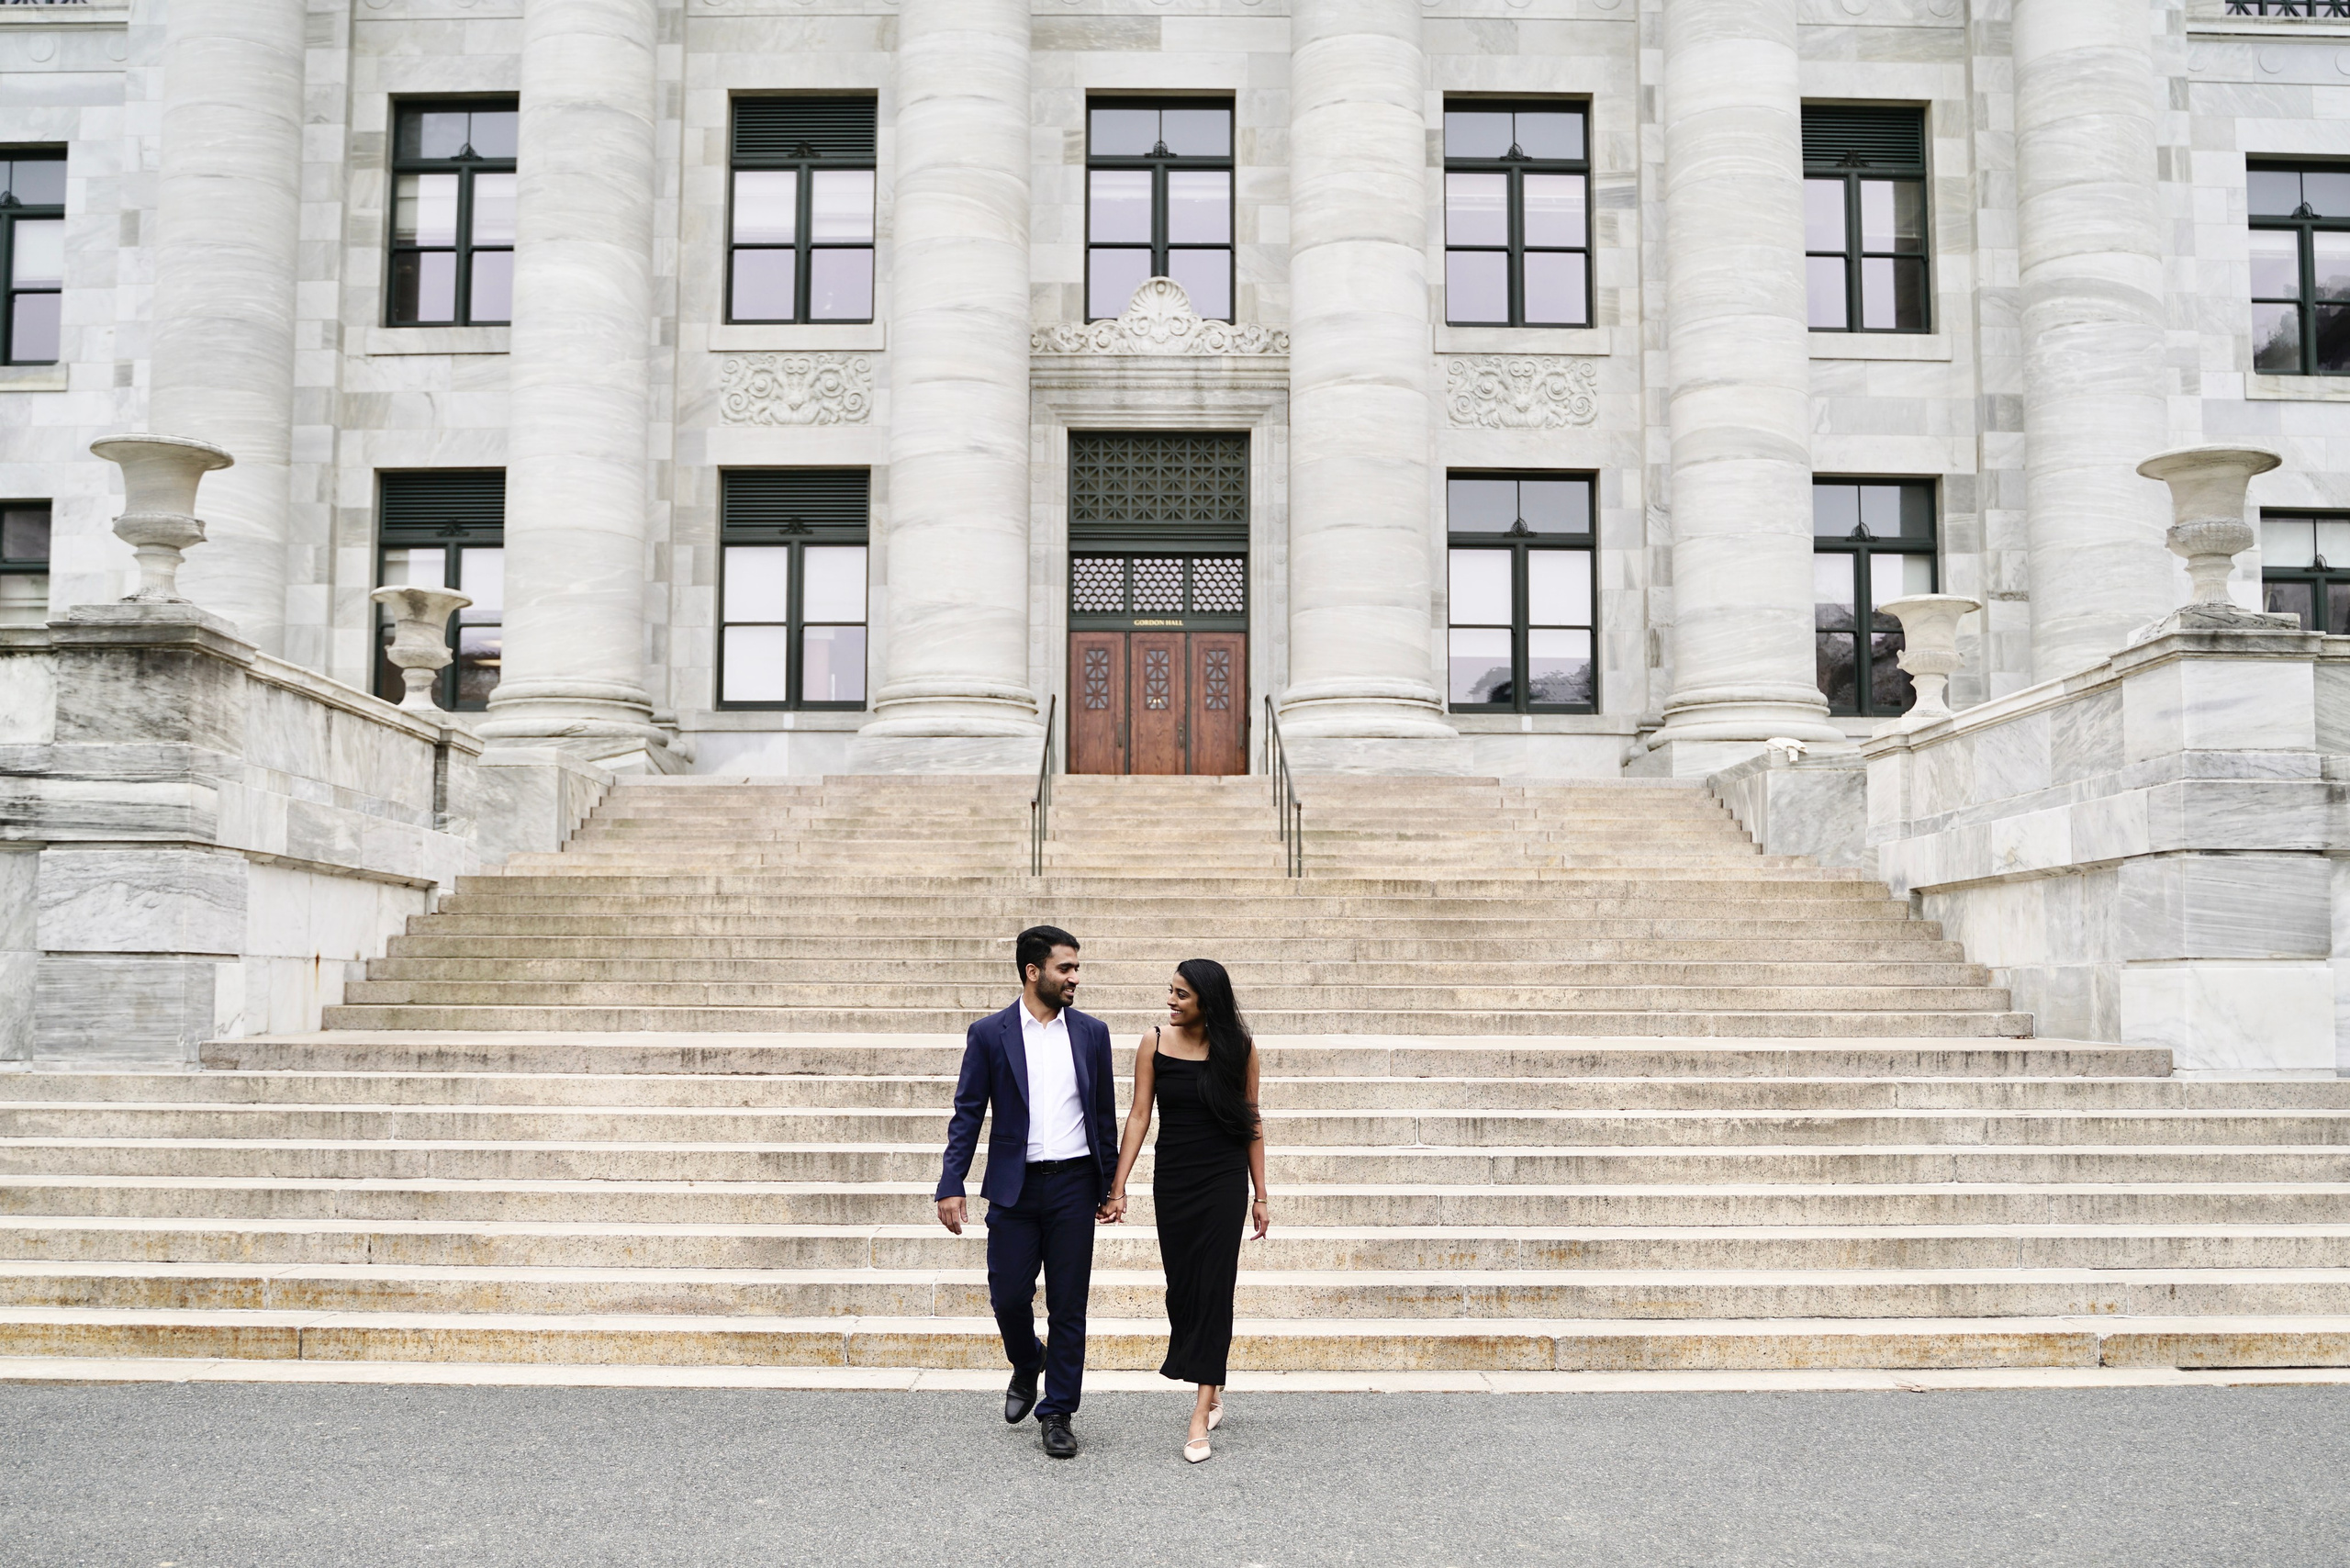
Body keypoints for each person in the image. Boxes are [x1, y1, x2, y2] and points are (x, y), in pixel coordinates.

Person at [934, 924, 1120, 1459]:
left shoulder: (1091, 1033)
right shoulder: (990, 1034)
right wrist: (953, 1181)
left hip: (1074, 1186)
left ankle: (1058, 1412)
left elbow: (1101, 1114)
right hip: (1014, 1189)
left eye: (1077, 968)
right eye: (1066, 968)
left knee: (1069, 1305)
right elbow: (968, 1113)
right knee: (1009, 1296)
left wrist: (1110, 1187)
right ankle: (1025, 1360)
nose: (1075, 978)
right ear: (1032, 971)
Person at [1101, 958, 1269, 1463]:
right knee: (1183, 1289)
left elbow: (1252, 1121)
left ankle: (1200, 1411)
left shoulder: (1240, 1049)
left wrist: (1260, 1194)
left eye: (1181, 995)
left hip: (1222, 1183)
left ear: (1206, 1002)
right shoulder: (1153, 1043)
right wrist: (1117, 1186)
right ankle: (1212, 1383)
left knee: (1215, 1287)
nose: (1170, 1002)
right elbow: (1137, 1115)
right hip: (1174, 1182)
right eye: (1170, 992)